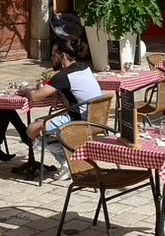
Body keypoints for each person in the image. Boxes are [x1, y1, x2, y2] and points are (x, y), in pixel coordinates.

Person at [20, 40, 103, 179]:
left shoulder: (64, 76)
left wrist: (24, 90)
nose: (52, 58)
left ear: (62, 55)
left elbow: (35, 96)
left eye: (54, 55)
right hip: (96, 119)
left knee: (32, 130)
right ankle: (71, 159)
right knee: (43, 127)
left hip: (78, 121)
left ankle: (67, 162)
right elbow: (76, 88)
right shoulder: (84, 68)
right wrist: (58, 93)